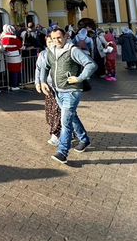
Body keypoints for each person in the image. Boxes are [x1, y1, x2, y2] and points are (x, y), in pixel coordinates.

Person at [40, 27, 97, 164]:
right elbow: (45, 66)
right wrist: (42, 82)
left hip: (71, 91)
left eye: (59, 37)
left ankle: (63, 152)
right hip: (58, 90)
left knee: (65, 122)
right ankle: (84, 139)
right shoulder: (51, 51)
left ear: (65, 37)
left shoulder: (73, 50)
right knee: (72, 117)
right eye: (54, 38)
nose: (56, 41)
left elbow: (91, 64)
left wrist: (80, 78)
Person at [34, 35, 62, 146]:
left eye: (52, 41)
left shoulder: (61, 52)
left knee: (57, 111)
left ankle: (56, 134)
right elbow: (38, 69)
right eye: (48, 42)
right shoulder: (43, 54)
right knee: (51, 111)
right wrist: (37, 83)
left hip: (60, 86)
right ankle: (65, 131)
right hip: (48, 87)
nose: (51, 44)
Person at [1, 24, 22, 91]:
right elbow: (20, 46)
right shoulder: (14, 37)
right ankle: (15, 85)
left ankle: (10, 84)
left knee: (9, 71)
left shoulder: (3, 38)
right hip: (15, 56)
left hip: (7, 56)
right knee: (15, 71)